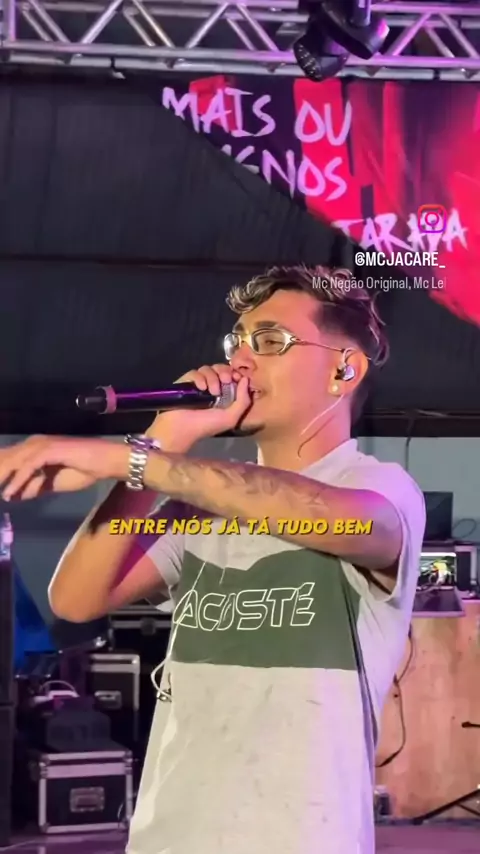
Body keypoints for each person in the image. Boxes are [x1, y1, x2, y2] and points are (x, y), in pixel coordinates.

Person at [0, 265, 426, 854]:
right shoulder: (195, 506)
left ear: (343, 370)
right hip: (171, 834)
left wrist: (124, 460)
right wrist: (164, 439)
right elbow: (75, 598)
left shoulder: (380, 489)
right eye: (237, 342)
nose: (241, 360)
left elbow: (330, 518)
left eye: (270, 341)